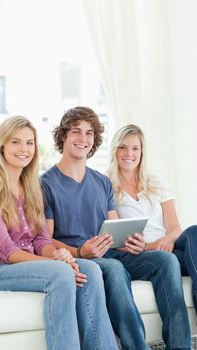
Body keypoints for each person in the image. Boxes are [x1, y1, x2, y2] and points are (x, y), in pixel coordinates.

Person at [40, 106, 191, 350]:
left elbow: (114, 229)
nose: (83, 138)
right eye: (76, 131)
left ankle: (180, 347)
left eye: (89, 133)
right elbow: (44, 240)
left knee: (166, 260)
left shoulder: (101, 182)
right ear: (63, 136)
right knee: (114, 268)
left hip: (111, 251)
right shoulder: (46, 184)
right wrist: (80, 253)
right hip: (82, 256)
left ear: (95, 140)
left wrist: (133, 242)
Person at [0, 116, 120, 350]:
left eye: (30, 143)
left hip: (32, 263)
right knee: (61, 274)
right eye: (15, 142)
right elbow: (7, 252)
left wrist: (61, 256)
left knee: (90, 267)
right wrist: (57, 264)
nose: (24, 149)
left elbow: (40, 239)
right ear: (2, 146)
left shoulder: (32, 187)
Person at [107, 123, 197, 313]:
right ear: (115, 150)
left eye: (135, 148)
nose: (128, 153)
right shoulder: (106, 187)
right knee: (172, 259)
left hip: (170, 247)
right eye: (122, 147)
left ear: (142, 152)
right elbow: (116, 238)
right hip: (142, 253)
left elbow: (174, 227)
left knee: (194, 232)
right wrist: (151, 246)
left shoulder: (157, 182)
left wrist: (166, 239)